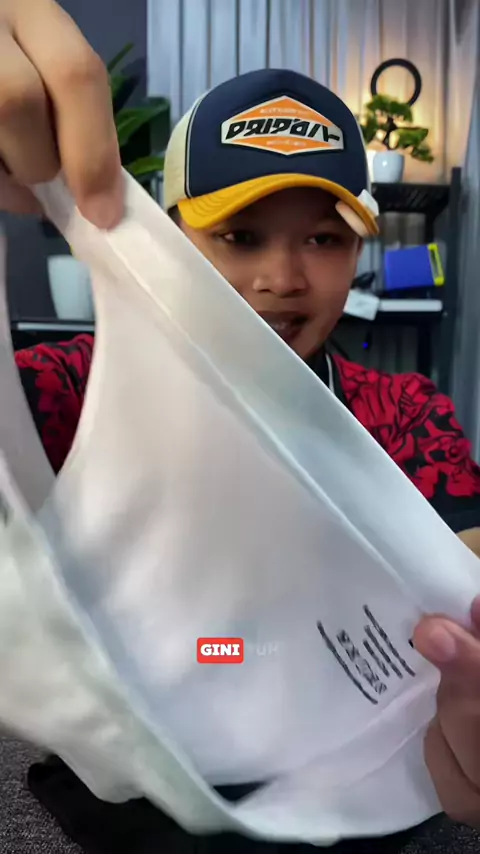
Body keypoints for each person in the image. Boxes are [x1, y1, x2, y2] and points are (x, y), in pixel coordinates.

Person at [2, 0, 480, 850]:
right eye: (240, 234)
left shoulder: (405, 415)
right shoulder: (72, 390)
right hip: (134, 794)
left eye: (325, 240)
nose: (283, 278)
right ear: (171, 236)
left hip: (351, 796)